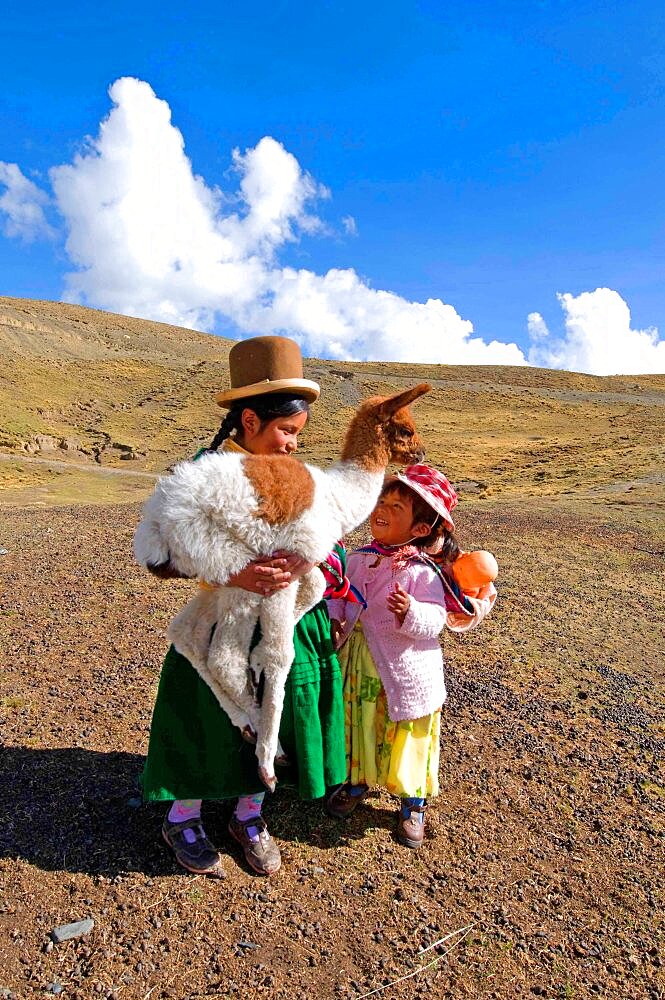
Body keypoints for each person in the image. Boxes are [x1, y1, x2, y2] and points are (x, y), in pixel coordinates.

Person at [141, 336, 348, 877]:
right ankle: (183, 814)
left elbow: (332, 543)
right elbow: (158, 556)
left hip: (284, 621)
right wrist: (230, 571)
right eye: (286, 432)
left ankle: (249, 814)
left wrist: (306, 564)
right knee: (206, 716)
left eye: (299, 435)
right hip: (217, 624)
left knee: (273, 712)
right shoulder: (200, 473)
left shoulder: (300, 477)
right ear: (250, 420)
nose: (293, 446)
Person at [326, 464, 496, 848]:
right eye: (381, 501)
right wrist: (336, 619)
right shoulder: (357, 558)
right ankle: (356, 783)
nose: (381, 510)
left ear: (420, 528)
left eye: (396, 507)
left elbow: (436, 619)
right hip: (361, 664)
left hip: (406, 672)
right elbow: (339, 594)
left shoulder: (424, 572)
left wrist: (411, 613)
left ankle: (412, 802)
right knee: (360, 723)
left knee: (408, 735)